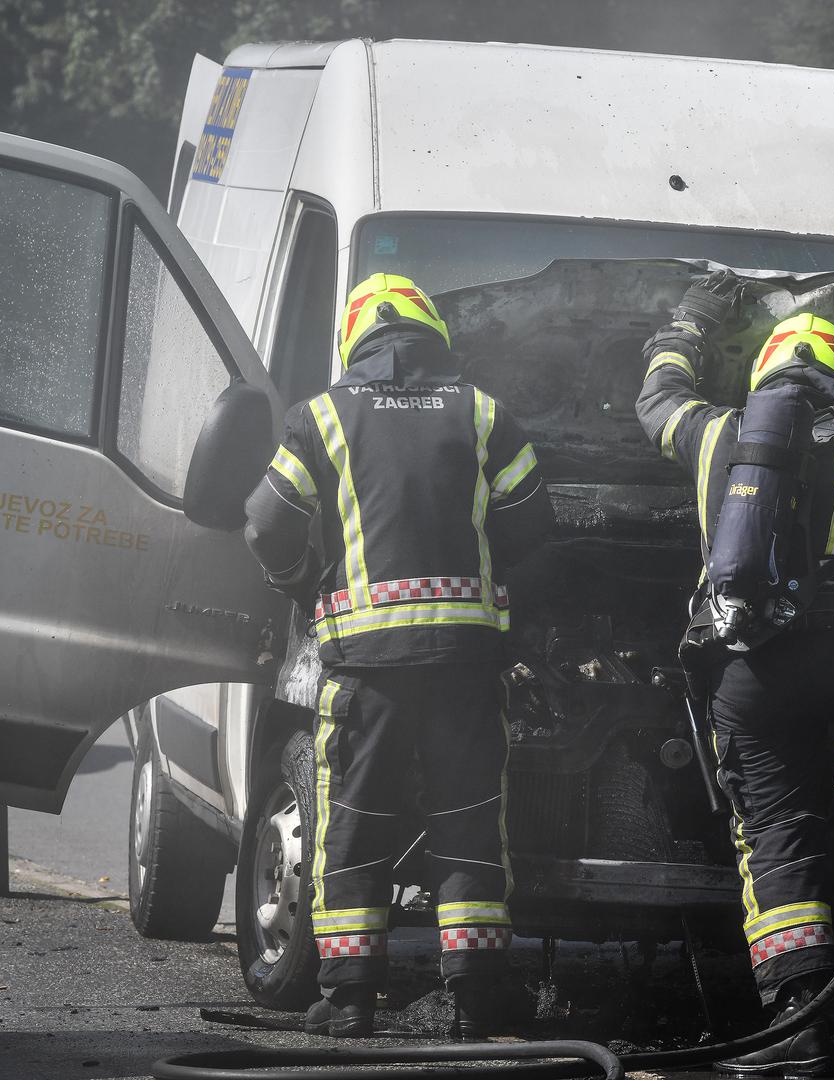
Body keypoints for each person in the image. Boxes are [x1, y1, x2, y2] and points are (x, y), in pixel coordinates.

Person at [636, 271, 834, 1077]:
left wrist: (687, 322)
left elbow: (655, 400)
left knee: (775, 834)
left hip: (752, 670)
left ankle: (794, 1021)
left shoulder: (715, 434)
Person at [244, 273, 553, 1038]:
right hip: (463, 667)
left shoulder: (318, 417)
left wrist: (301, 585)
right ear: (433, 336)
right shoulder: (484, 413)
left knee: (352, 824)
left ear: (355, 342)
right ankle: (477, 1000)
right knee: (469, 823)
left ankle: (348, 1000)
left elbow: (263, 524)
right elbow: (532, 526)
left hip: (364, 671)